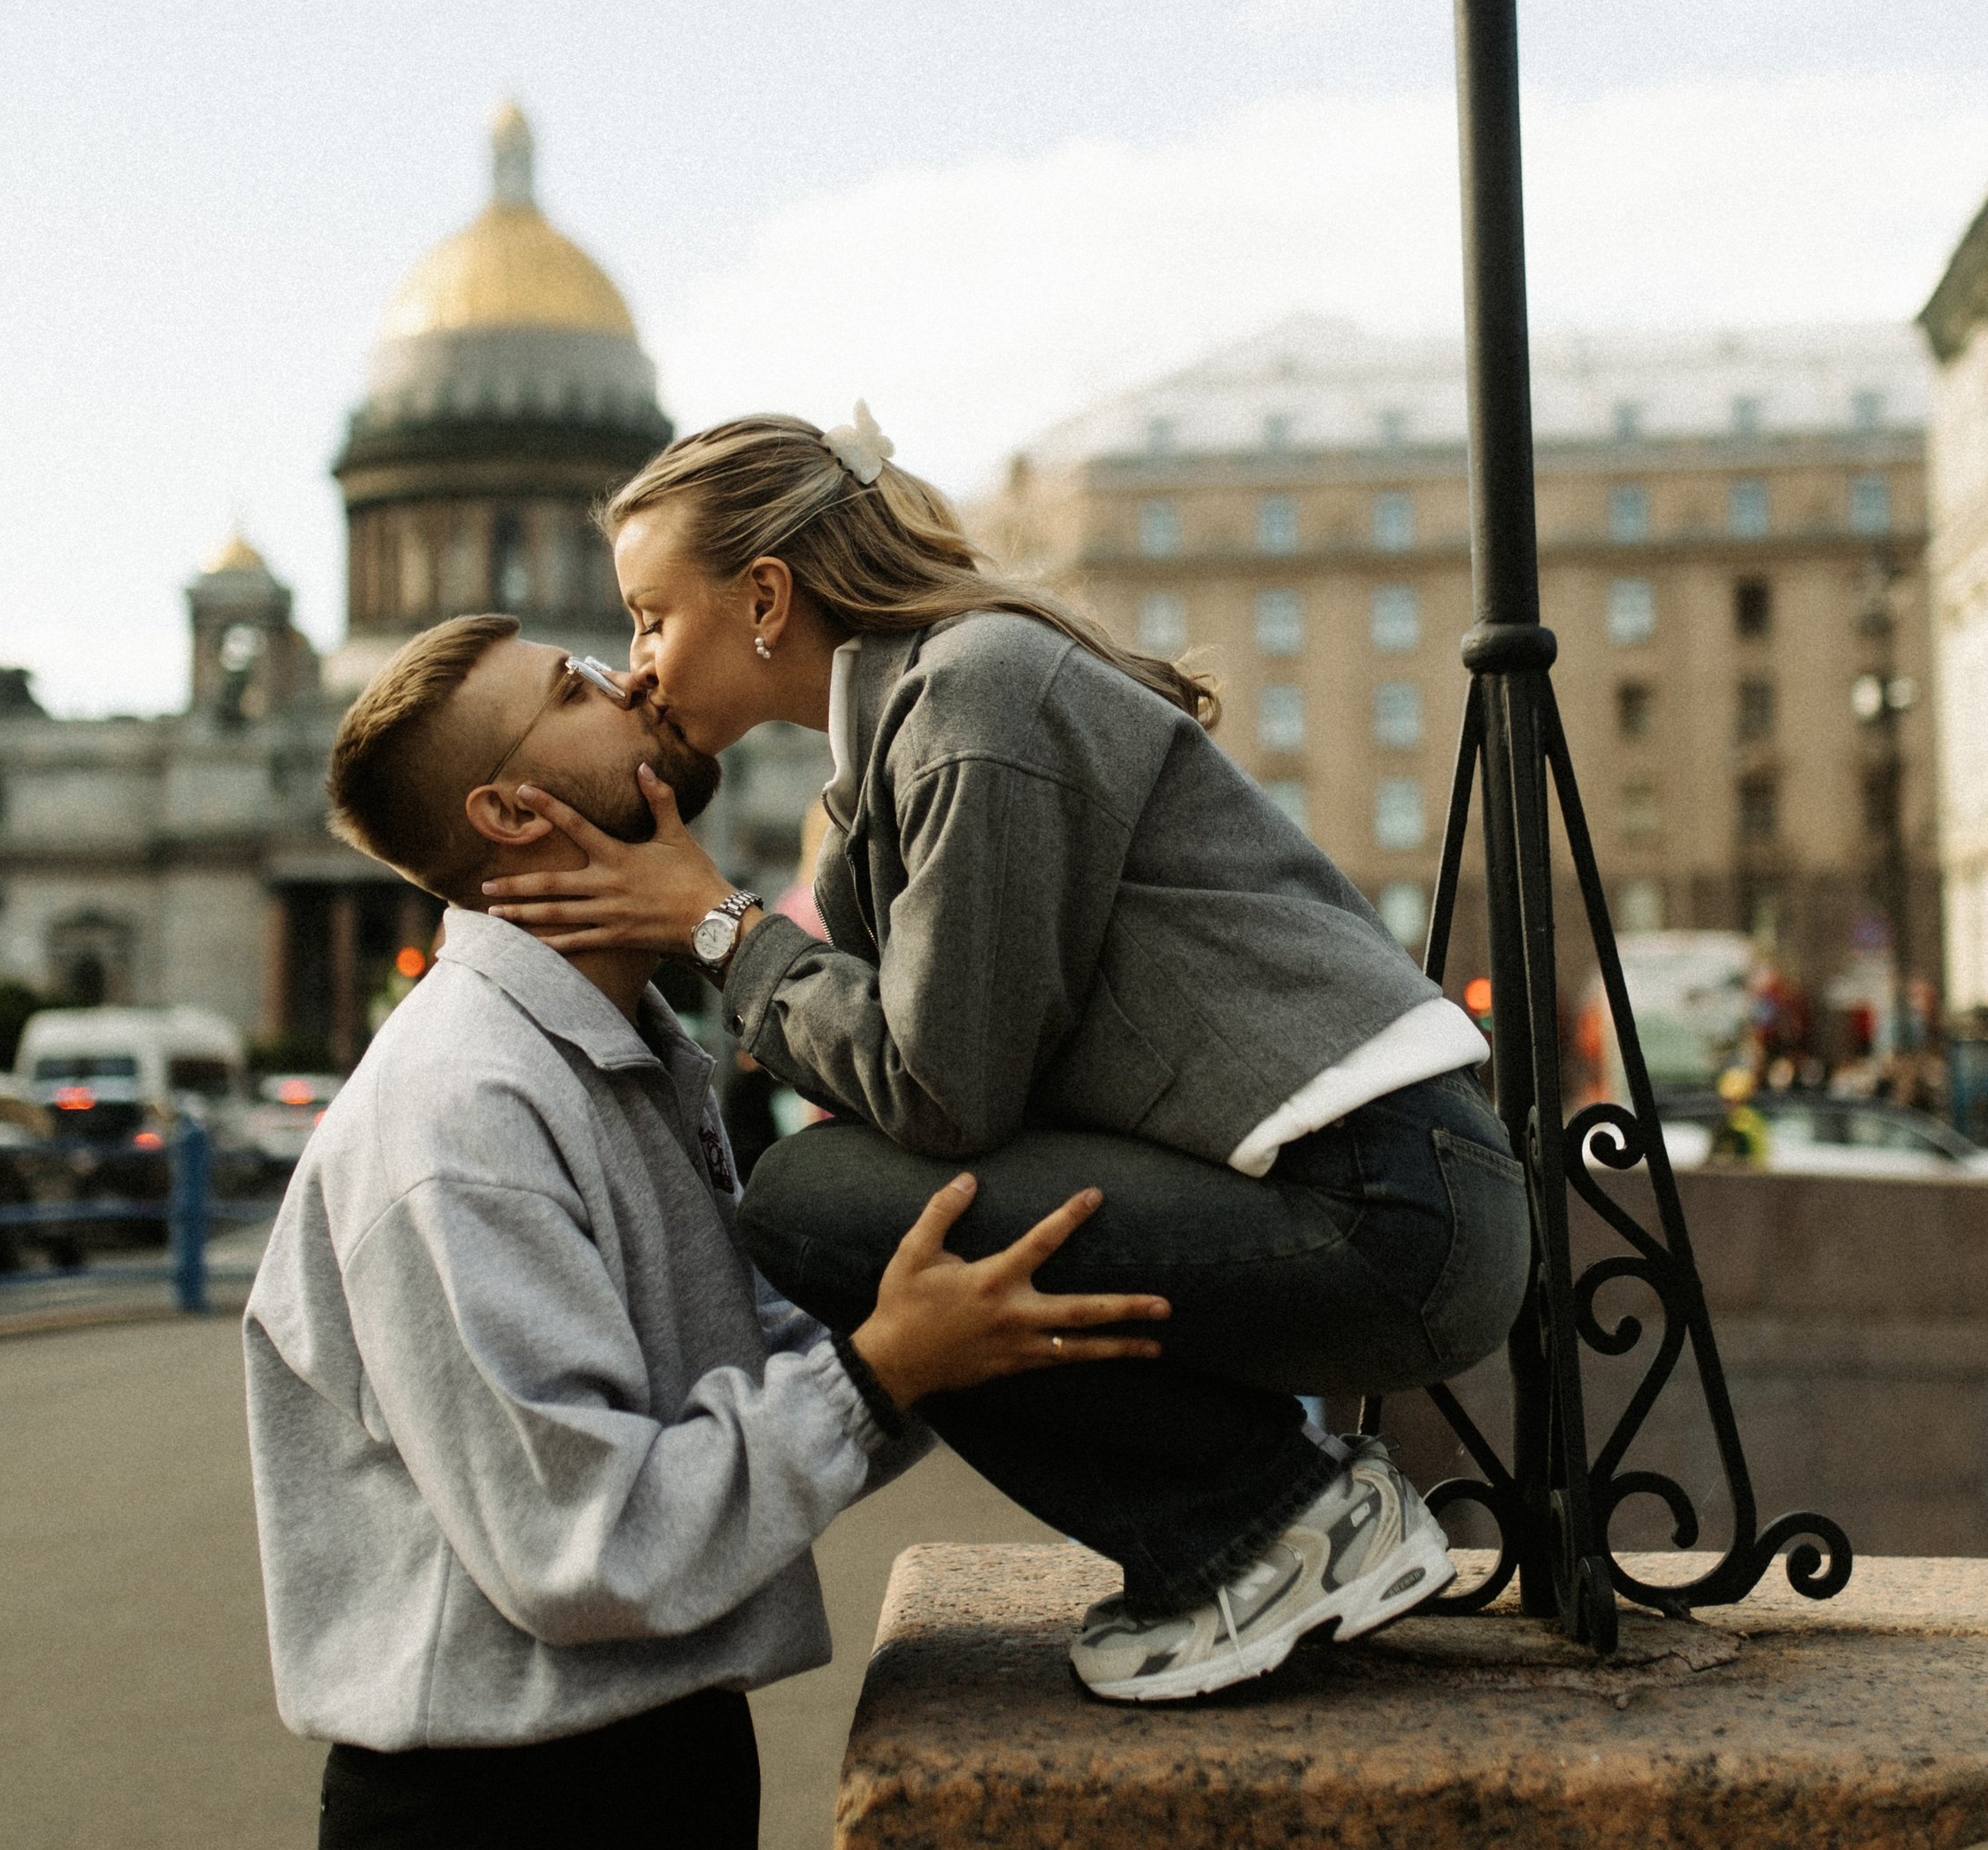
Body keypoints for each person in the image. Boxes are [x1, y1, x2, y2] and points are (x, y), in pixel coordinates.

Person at [242, 612, 1164, 1850]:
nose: (632, 691)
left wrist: (913, 1333)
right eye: (577, 690)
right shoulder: (458, 1116)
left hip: (623, 1786)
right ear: (506, 810)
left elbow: (729, 1369)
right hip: (501, 1836)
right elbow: (583, 1542)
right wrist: (877, 1375)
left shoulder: (628, 1040)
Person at [480, 404, 1531, 1708]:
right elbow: (927, 1071)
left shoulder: (970, 695)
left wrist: (716, 927)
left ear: (762, 595)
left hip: (1391, 1206)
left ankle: (1270, 1525)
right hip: (1360, 1191)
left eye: (650, 615)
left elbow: (944, 1093)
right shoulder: (897, 745)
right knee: (849, 1201)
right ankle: (1266, 1519)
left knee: (821, 1208)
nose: (635, 666)